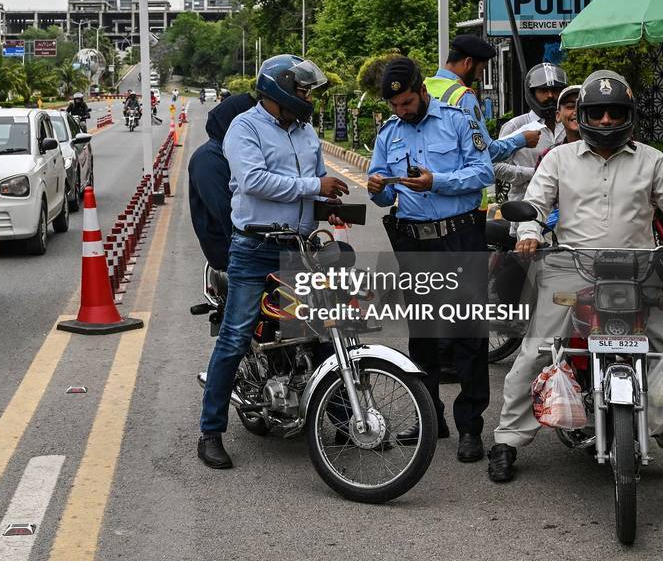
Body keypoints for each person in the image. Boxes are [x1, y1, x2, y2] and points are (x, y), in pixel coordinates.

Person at [488, 70, 663, 486]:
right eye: (596, 114)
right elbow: (535, 204)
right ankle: (508, 440)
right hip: (570, 267)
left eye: (614, 113)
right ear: (581, 116)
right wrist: (529, 233)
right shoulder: (559, 159)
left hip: (641, 270)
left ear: (628, 115)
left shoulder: (652, 159)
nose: (605, 122)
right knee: (538, 350)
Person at [198, 54, 349, 469]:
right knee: (235, 336)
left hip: (299, 247)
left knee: (320, 332)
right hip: (254, 247)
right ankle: (210, 431)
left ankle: (339, 418)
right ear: (280, 89)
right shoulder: (244, 128)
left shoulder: (307, 132)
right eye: (302, 90)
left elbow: (312, 187)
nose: (307, 97)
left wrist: (325, 202)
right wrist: (314, 185)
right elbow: (254, 181)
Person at [367, 56, 494, 463]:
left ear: (422, 91)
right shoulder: (389, 133)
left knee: (466, 336)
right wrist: (377, 188)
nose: (401, 112)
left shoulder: (458, 121)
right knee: (423, 334)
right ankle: (429, 416)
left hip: (459, 237)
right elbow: (384, 191)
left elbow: (483, 171)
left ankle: (470, 428)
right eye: (394, 107)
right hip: (414, 242)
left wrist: (436, 181)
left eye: (406, 103)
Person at [425, 34, 541, 163]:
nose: (479, 79)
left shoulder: (423, 87)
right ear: (468, 63)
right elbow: (485, 151)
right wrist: (523, 139)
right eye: (480, 70)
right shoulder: (462, 96)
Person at [188, 94, 258, 272]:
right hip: (230, 251)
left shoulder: (241, 154)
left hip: (255, 245)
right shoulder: (209, 158)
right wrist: (249, 250)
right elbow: (224, 210)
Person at [494, 62, 569, 204]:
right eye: (543, 91)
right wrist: (534, 172)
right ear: (532, 93)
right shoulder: (515, 126)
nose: (550, 95)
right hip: (526, 208)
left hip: (566, 210)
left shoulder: (570, 125)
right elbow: (496, 166)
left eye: (556, 90)